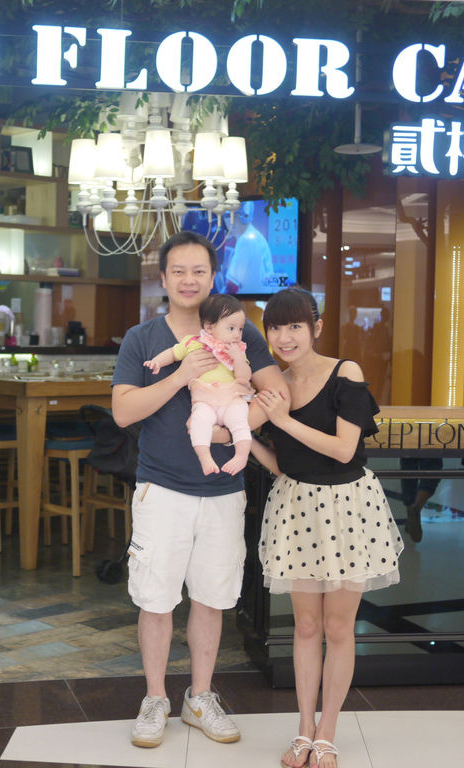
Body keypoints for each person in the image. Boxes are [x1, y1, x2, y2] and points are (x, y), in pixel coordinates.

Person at [112, 230, 286, 749]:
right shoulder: (143, 339)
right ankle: (155, 699)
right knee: (156, 599)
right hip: (161, 488)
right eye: (179, 272)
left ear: (214, 278)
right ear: (164, 279)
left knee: (212, 597)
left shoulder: (239, 329)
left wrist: (231, 431)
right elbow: (123, 411)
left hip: (224, 489)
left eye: (199, 271)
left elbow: (278, 391)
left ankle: (200, 697)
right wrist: (179, 375)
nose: (189, 280)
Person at [250, 287, 403, 768]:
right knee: (305, 626)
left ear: (315, 327)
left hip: (347, 507)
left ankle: (327, 732)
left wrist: (281, 419)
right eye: (275, 327)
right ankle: (303, 730)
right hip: (296, 507)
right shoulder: (274, 385)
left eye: (295, 326)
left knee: (338, 627)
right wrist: (244, 433)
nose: (284, 337)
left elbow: (342, 449)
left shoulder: (345, 373)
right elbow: (284, 465)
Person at [143, 294, 254, 476]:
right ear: (209, 327)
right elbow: (172, 353)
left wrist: (238, 359)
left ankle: (241, 456)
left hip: (232, 400)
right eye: (231, 328)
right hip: (205, 401)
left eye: (240, 329)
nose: (237, 334)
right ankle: (205, 457)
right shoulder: (193, 342)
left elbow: (245, 377)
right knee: (199, 423)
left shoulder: (238, 350)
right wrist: (157, 362)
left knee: (240, 422)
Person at [223, 201, 274, 295]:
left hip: (248, 301)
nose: (227, 222)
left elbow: (231, 286)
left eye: (229, 216)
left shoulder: (245, 240)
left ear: (241, 217)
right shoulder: (255, 236)